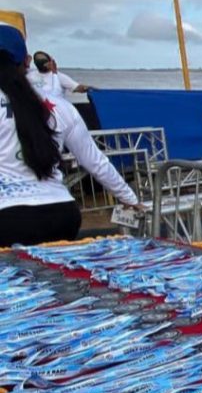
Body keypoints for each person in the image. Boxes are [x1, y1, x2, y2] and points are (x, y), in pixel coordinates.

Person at [0, 24, 140, 247]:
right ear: (26, 62)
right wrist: (130, 198)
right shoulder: (59, 107)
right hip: (60, 213)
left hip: (6, 218)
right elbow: (96, 162)